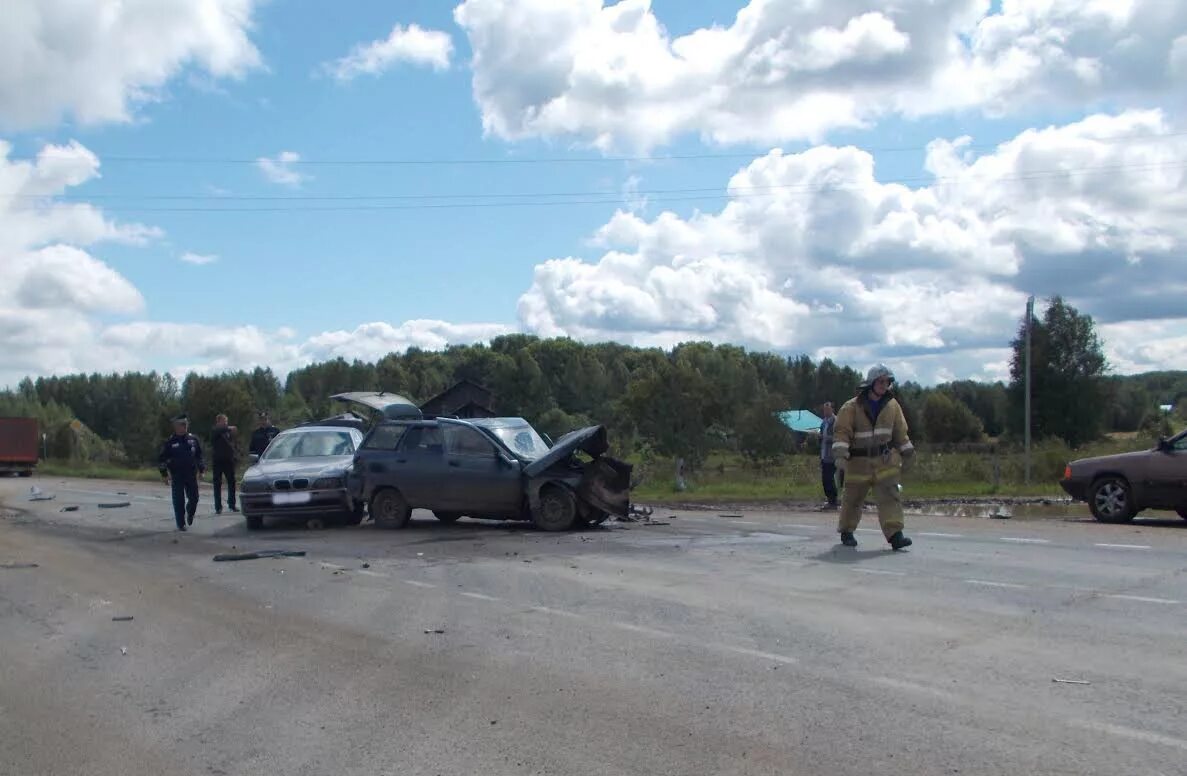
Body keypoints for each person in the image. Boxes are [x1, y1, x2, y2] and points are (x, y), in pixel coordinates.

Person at [832, 364, 915, 550]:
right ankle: (847, 532)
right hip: (858, 463)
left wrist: (907, 452)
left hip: (885, 462)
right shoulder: (851, 407)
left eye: (887, 382)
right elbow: (841, 433)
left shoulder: (892, 406)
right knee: (852, 499)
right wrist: (840, 455)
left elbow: (900, 432)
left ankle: (895, 536)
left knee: (890, 497)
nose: (883, 385)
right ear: (871, 383)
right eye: (880, 381)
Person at [158, 413, 205, 532]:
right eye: (181, 425)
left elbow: (199, 456)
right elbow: (162, 459)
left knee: (194, 498)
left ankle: (190, 512)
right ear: (176, 426)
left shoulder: (193, 439)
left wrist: (201, 470)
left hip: (191, 474)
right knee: (178, 500)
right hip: (177, 474)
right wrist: (164, 474)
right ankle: (181, 523)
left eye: (185, 424)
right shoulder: (170, 442)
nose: (184, 427)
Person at [210, 413, 238, 514]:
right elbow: (219, 431)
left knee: (232, 482)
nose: (226, 423)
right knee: (217, 484)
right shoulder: (215, 430)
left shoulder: (227, 432)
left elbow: (232, 444)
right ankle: (218, 507)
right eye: (224, 421)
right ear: (218, 422)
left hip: (228, 460)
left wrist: (234, 454)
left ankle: (232, 504)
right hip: (218, 460)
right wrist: (229, 428)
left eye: (226, 421)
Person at [819, 401, 838, 509]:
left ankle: (833, 501)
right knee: (824, 479)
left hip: (832, 455)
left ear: (832, 410)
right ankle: (829, 499)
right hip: (823, 454)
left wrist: (824, 437)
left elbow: (837, 437)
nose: (825, 411)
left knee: (829, 478)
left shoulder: (836, 421)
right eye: (824, 409)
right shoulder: (823, 422)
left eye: (827, 409)